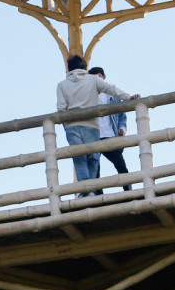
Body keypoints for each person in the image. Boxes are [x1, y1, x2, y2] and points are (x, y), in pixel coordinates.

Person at [56, 55, 138, 196]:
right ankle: (92, 189)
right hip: (91, 124)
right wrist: (128, 97)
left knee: (79, 158)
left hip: (72, 126)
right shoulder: (93, 80)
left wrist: (66, 125)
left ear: (69, 68)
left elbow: (61, 108)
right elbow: (111, 88)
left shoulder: (61, 85)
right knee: (93, 158)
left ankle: (85, 191)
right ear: (84, 67)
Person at [89, 67, 132, 191]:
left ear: (103, 77)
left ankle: (128, 190)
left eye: (99, 76)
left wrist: (122, 128)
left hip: (110, 135)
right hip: (94, 136)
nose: (97, 80)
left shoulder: (112, 96)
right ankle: (98, 196)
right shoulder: (88, 97)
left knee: (120, 164)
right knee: (95, 169)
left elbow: (122, 116)